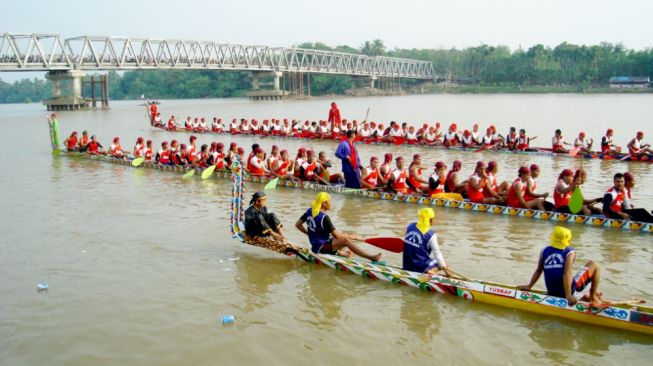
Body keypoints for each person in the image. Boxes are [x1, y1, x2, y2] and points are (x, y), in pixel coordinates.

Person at [518, 226, 604, 306]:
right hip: (568, 293)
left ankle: (585, 295)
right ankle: (593, 297)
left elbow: (538, 270)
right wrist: (568, 296)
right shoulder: (569, 252)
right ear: (568, 240)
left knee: (571, 277)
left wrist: (529, 286)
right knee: (594, 264)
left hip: (552, 292)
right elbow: (567, 274)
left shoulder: (544, 250)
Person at [295, 192, 381, 261]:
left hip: (317, 245)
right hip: (320, 247)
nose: (331, 203)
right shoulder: (324, 218)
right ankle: (371, 257)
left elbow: (298, 225)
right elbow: (337, 236)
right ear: (324, 203)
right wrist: (354, 237)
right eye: (329, 201)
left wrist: (309, 234)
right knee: (346, 240)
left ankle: (341, 254)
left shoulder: (310, 211)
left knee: (344, 235)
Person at [402, 208, 453, 276]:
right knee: (444, 263)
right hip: (420, 266)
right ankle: (448, 278)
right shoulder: (431, 235)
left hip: (406, 265)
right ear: (431, 220)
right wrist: (444, 267)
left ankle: (428, 271)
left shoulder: (410, 226)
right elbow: (437, 254)